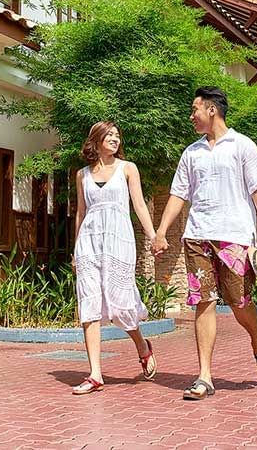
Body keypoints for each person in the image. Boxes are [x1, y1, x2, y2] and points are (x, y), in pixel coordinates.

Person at [152, 86, 257, 400]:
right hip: (198, 235)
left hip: (235, 237)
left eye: (194, 109)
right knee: (204, 301)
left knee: (240, 302)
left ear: (211, 109)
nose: (191, 116)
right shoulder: (191, 153)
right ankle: (204, 376)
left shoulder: (242, 145)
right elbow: (178, 195)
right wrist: (161, 231)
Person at [70, 121, 158, 395]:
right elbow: (81, 213)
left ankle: (142, 346)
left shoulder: (127, 168)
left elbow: (139, 204)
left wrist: (154, 235)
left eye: (118, 136)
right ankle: (95, 374)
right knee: (90, 303)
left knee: (120, 303)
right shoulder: (81, 175)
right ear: (95, 141)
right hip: (89, 242)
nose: (115, 140)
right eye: (109, 135)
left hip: (118, 240)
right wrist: (76, 248)